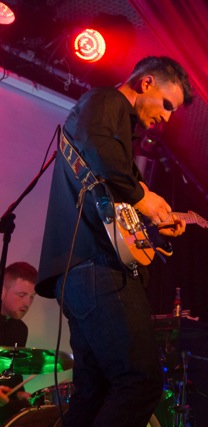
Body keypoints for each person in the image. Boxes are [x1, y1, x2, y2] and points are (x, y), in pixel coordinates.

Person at [36, 56, 194, 427]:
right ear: (146, 82)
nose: (166, 117)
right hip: (96, 268)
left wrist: (153, 223)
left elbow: (112, 205)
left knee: (95, 392)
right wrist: (143, 197)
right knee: (140, 382)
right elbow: (103, 156)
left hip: (83, 270)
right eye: (166, 104)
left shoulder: (119, 134)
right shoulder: (105, 100)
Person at [0, 262, 38, 422]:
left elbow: (13, 373)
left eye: (32, 297)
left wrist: (19, 392)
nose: (27, 303)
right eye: (22, 295)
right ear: (2, 292)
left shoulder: (20, 329)